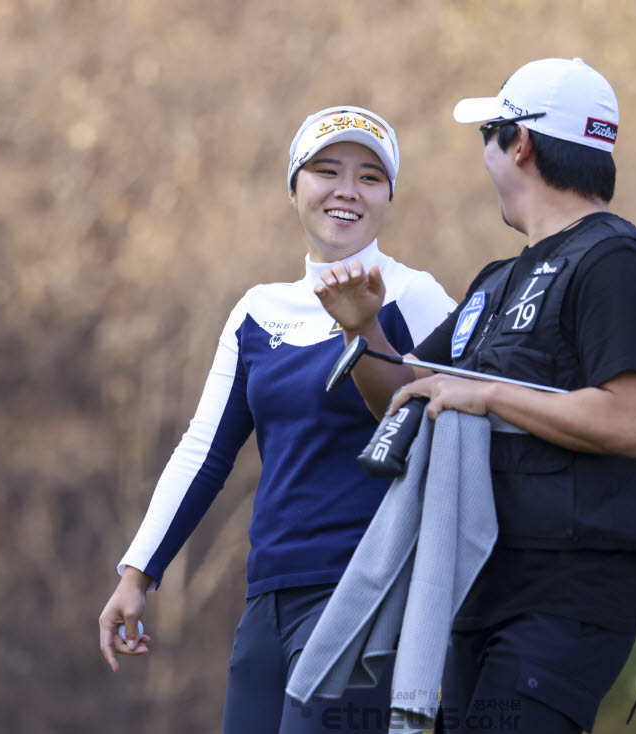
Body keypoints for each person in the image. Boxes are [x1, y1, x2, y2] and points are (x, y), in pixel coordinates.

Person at [314, 59, 636, 733]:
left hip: (567, 594)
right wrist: (362, 327)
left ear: (519, 144)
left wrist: (486, 395)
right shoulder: (495, 281)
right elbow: (408, 396)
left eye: (489, 133)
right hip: (475, 585)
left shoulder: (618, 262)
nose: (483, 153)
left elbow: (629, 421)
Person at [98, 105, 456, 734]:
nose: (347, 190)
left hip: (367, 591)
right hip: (268, 594)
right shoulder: (258, 311)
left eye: (371, 177)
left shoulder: (414, 297)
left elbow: (462, 426)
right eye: (326, 170)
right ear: (294, 187)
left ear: (389, 199)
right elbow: (204, 452)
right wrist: (138, 573)